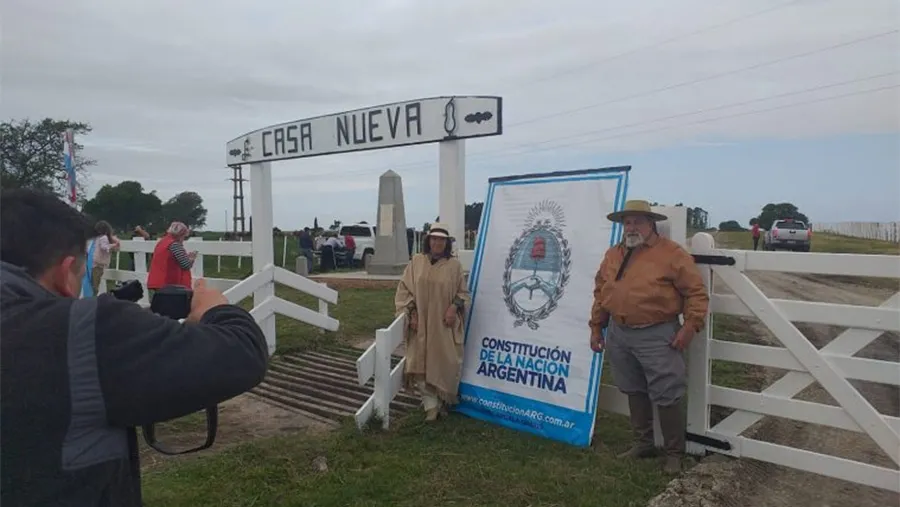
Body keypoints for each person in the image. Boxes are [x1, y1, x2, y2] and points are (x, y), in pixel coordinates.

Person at [0, 188, 269, 506]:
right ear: (64, 272)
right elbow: (243, 352)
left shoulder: (162, 243)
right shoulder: (84, 330)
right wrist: (215, 309)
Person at [588, 200, 708, 474]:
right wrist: (597, 326)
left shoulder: (671, 253)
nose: (631, 227)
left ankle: (674, 453)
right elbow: (601, 291)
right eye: (627, 222)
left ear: (651, 224)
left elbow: (695, 292)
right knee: (632, 387)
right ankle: (643, 444)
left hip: (657, 332)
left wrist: (690, 326)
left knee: (667, 390)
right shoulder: (613, 254)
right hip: (619, 332)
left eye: (638, 222)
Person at [394, 223, 470, 422]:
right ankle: (430, 405)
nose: (437, 242)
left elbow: (463, 292)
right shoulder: (416, 262)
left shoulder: (454, 266)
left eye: (442, 239)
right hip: (420, 323)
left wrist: (453, 307)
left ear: (447, 243)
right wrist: (412, 312)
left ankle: (443, 400)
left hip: (443, 323)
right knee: (419, 360)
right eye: (434, 238)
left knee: (445, 361)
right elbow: (405, 289)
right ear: (428, 241)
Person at [146, 221, 196, 297]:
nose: (183, 240)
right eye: (184, 237)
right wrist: (191, 259)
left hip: (156, 282)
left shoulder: (162, 242)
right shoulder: (175, 245)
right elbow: (185, 265)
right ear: (180, 235)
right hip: (167, 285)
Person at [82, 220, 120, 297]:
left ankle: (91, 297)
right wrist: (114, 245)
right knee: (95, 283)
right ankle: (93, 298)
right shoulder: (104, 237)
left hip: (94, 263)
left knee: (92, 282)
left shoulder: (96, 238)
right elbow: (104, 247)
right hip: (98, 263)